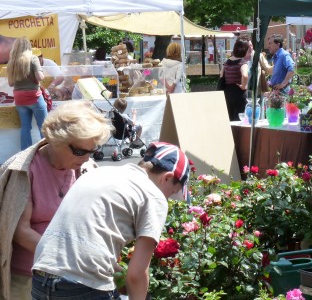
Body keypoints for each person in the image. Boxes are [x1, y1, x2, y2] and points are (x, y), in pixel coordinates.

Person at [31, 142, 191, 300]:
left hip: (41, 278)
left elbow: (82, 243)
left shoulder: (98, 173)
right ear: (167, 177)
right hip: (82, 286)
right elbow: (136, 275)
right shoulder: (153, 196)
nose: (167, 198)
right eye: (172, 193)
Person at [0, 100, 112, 300]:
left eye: (92, 151)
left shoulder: (87, 168)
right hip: (29, 276)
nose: (86, 158)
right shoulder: (24, 169)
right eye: (80, 151)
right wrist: (70, 255)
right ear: (56, 141)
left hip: (73, 277)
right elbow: (20, 232)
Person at [7, 38, 49, 150]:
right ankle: (45, 151)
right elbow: (40, 77)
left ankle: (25, 153)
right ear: (28, 47)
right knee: (43, 126)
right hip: (34, 96)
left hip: (19, 98)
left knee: (25, 127)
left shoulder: (12, 63)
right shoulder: (33, 58)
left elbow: (11, 83)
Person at [220, 39, 249, 121]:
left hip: (227, 92)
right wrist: (243, 86)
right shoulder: (242, 62)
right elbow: (245, 75)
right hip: (238, 93)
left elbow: (221, 76)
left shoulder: (226, 62)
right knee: (239, 120)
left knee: (229, 118)